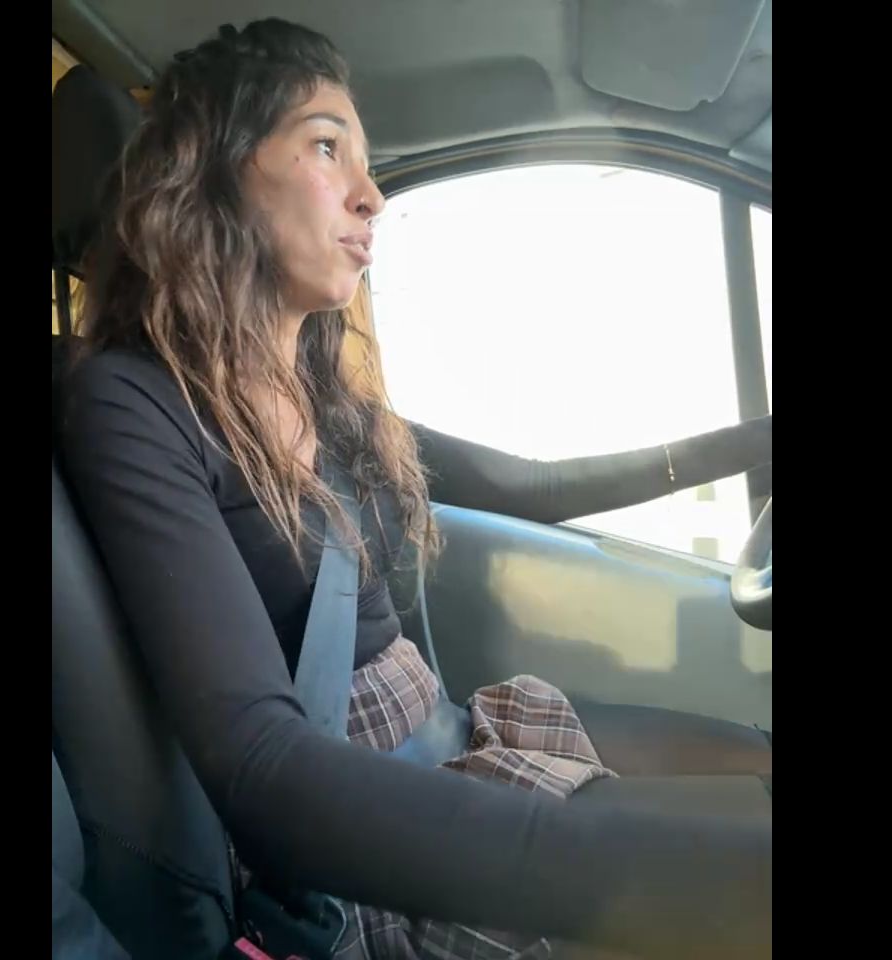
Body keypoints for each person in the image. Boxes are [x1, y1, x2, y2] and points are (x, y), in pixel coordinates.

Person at [57, 18, 772, 960]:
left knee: (761, 760)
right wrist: (686, 887)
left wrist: (752, 441)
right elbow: (263, 764)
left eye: (368, 162)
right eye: (327, 147)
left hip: (459, 736)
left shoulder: (332, 402)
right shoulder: (134, 401)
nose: (372, 195)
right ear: (217, 168)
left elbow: (535, 485)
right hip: (360, 831)